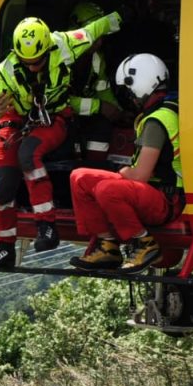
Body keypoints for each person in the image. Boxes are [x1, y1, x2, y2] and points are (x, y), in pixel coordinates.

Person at [0, 8, 123, 270]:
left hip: (54, 117)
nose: (33, 66)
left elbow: (94, 30)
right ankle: (3, 247)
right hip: (18, 119)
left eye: (38, 61)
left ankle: (46, 225)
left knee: (28, 154)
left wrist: (123, 15)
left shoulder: (64, 44)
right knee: (5, 180)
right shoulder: (5, 73)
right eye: (27, 62)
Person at [68, 53, 183, 273]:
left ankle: (144, 243)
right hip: (149, 192)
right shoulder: (156, 113)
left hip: (166, 199)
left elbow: (140, 175)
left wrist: (122, 171)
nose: (129, 98)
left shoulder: (157, 121)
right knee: (79, 177)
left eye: (129, 91)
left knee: (107, 189)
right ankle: (108, 246)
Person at [66, 2, 125, 166]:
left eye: (102, 36)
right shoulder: (60, 60)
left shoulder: (97, 59)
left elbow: (103, 90)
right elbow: (58, 102)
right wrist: (99, 107)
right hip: (60, 118)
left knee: (103, 126)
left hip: (83, 115)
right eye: (94, 36)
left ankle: (94, 169)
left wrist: (118, 112)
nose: (99, 42)